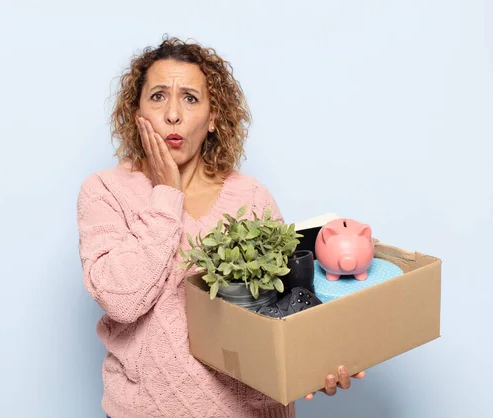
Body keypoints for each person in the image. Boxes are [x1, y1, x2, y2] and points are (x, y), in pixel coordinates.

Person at [76, 35, 366, 418]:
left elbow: (286, 306)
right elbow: (121, 300)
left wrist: (318, 360)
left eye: (191, 98)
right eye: (158, 96)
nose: (173, 115)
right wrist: (165, 195)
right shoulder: (105, 191)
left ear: (213, 118)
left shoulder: (251, 197)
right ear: (136, 112)